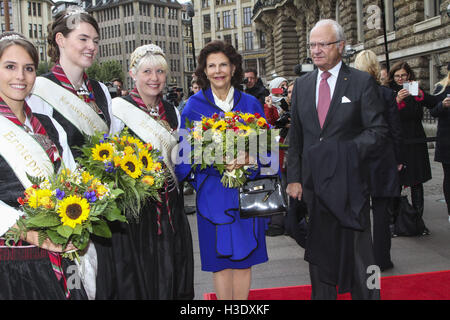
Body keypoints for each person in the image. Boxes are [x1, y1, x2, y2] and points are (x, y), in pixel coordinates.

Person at [287, 19, 388, 300]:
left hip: (350, 184)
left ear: (340, 46)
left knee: (362, 253)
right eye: (312, 45)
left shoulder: (361, 82)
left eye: (323, 44)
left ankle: (370, 296)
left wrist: (341, 153)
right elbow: (296, 137)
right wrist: (294, 178)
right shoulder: (303, 85)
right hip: (313, 186)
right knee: (319, 253)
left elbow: (378, 132)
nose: (316, 50)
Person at [27, 6, 122, 300]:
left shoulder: (101, 91)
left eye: (95, 40)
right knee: (76, 286)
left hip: (103, 209)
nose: (91, 46)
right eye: (83, 39)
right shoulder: (40, 90)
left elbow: (115, 143)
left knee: (104, 286)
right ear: (60, 40)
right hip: (67, 212)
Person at [175, 40, 270, 300]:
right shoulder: (193, 106)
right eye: (212, 66)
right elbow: (184, 155)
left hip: (247, 194)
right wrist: (215, 159)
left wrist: (250, 159)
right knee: (220, 262)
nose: (218, 71)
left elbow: (268, 152)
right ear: (204, 71)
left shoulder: (251, 104)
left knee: (244, 259)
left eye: (223, 65)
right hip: (212, 195)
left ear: (234, 68)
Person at [0, 32, 86, 299]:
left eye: (29, 68)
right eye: (10, 67)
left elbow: (71, 177)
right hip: (12, 261)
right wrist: (32, 234)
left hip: (60, 253)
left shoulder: (49, 124)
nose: (20, 77)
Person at [110, 43, 194, 299]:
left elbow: (181, 159)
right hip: (135, 216)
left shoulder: (172, 111)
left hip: (170, 210)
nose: (154, 78)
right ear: (133, 73)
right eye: (147, 71)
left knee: (173, 273)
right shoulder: (117, 111)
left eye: (160, 71)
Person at [354, 50, 403, 271]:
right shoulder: (385, 94)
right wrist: (399, 158)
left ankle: (363, 258)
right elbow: (395, 130)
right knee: (382, 211)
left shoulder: (351, 94)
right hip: (383, 158)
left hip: (358, 158)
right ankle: (382, 258)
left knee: (359, 210)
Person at [388, 61, 438, 235]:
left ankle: (418, 222)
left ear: (408, 75)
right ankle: (394, 222)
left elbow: (434, 104)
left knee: (417, 182)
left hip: (416, 141)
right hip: (398, 143)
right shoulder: (389, 92)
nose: (401, 79)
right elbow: (383, 115)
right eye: (397, 76)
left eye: (403, 75)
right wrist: (397, 100)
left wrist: (421, 96)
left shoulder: (415, 90)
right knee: (396, 183)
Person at [431, 62, 450, 223]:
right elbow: (432, 111)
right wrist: (442, 105)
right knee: (449, 177)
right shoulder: (441, 88)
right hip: (447, 140)